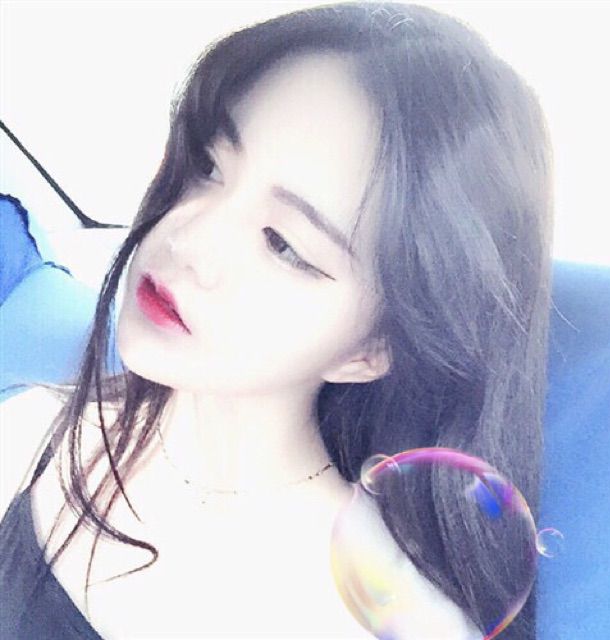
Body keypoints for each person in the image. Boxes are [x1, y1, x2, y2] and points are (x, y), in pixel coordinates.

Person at [0, 2, 554, 638]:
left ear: (372, 348)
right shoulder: (39, 426)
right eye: (208, 167)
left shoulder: (396, 620)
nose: (188, 239)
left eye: (283, 244)